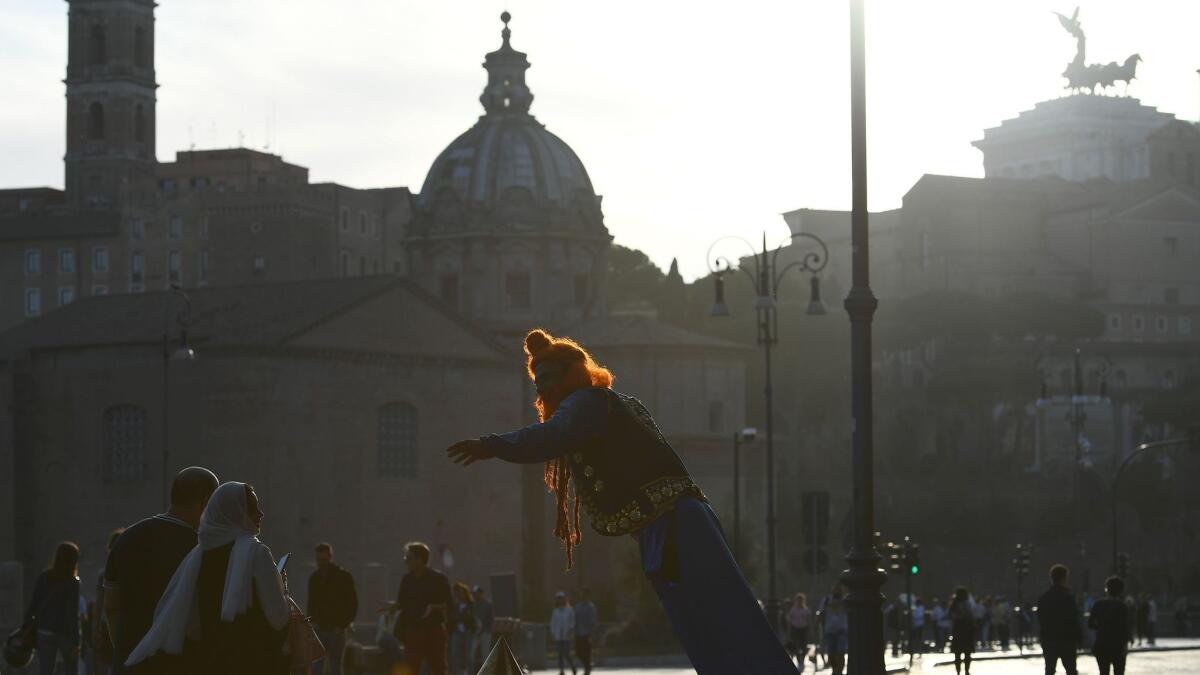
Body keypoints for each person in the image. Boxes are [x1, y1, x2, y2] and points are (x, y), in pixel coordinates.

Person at [446, 329, 797, 674]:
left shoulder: (586, 403)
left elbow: (552, 435)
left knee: (719, 621)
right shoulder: (606, 405)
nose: (541, 387)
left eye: (548, 377)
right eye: (537, 380)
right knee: (708, 625)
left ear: (572, 373)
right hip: (668, 525)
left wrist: (492, 445)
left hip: (675, 523)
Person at [125, 482, 297, 674]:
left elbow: (191, 623)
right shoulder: (257, 553)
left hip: (212, 662)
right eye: (254, 508)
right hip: (256, 661)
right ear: (237, 513)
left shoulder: (199, 556)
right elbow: (278, 618)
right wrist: (283, 587)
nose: (261, 514)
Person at [104, 466, 219, 675]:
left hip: (127, 661)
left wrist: (123, 648)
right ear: (205, 502)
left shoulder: (126, 539)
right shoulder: (201, 549)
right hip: (179, 664)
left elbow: (111, 606)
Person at [384, 542, 451, 675]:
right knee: (411, 668)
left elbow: (450, 604)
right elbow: (402, 602)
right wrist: (394, 606)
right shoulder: (406, 580)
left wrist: (433, 607)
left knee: (438, 669)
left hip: (434, 630)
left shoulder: (438, 579)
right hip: (413, 631)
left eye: (408, 558)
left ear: (419, 560)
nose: (405, 562)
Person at [26, 542, 82, 675]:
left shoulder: (44, 577)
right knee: (71, 669)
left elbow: (34, 604)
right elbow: (72, 614)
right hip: (65, 633)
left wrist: (27, 627)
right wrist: (76, 642)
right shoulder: (73, 582)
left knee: (46, 671)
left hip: (44, 630)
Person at [307, 542, 358, 675]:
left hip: (336, 630)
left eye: (323, 560)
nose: (321, 563)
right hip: (320, 629)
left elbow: (352, 604)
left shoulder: (343, 577)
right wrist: (313, 623)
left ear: (330, 557)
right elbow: (311, 604)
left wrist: (342, 625)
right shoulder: (314, 579)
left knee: (334, 667)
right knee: (319, 667)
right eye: (319, 560)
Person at [1037, 564, 1083, 675]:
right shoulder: (1068, 597)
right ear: (1064, 578)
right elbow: (1074, 619)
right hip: (1067, 639)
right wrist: (1079, 637)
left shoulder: (1044, 598)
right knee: (1071, 670)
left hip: (1049, 639)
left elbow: (1041, 619)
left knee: (1049, 670)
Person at [92, 528, 123, 674]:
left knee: (110, 662)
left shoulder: (104, 573)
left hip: (109, 624)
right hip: (125, 622)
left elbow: (100, 602)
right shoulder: (134, 570)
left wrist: (96, 626)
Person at [1088, 576, 1131, 675]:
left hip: (1102, 644)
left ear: (1106, 589)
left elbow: (1090, 624)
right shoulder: (1122, 607)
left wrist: (1101, 627)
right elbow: (1125, 627)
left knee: (1103, 672)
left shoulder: (1098, 604)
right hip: (1118, 646)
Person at [448, 583, 477, 675]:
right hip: (457, 632)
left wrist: (464, 616)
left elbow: (473, 618)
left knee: (469, 656)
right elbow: (451, 618)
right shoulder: (454, 606)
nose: (458, 595)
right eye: (457, 593)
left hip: (468, 632)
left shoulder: (471, 605)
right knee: (454, 654)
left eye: (460, 592)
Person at [821, 587, 848, 675]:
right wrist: (816, 625)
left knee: (841, 652)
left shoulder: (846, 600)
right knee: (831, 653)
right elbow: (821, 612)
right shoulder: (826, 600)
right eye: (836, 589)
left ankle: (839, 671)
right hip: (830, 630)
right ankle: (834, 669)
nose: (837, 591)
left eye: (839, 589)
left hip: (842, 630)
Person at [948, 587, 975, 675]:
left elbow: (950, 616)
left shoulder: (954, 604)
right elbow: (971, 615)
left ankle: (958, 671)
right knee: (967, 652)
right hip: (967, 629)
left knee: (957, 653)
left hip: (957, 629)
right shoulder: (968, 604)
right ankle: (967, 670)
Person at [549, 591, 576, 675]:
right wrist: (553, 633)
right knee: (560, 654)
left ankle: (572, 666)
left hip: (566, 635)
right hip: (558, 635)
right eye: (558, 599)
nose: (560, 600)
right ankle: (561, 670)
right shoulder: (555, 611)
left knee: (566, 653)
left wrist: (570, 631)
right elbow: (553, 623)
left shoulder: (569, 610)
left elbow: (572, 622)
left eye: (561, 599)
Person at [573, 588, 597, 675]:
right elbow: (574, 619)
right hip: (578, 633)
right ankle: (588, 665)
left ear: (587, 595)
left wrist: (592, 633)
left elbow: (592, 621)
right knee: (578, 652)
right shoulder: (577, 606)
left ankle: (587, 669)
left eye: (583, 593)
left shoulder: (591, 607)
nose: (581, 595)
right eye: (581, 593)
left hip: (587, 633)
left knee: (587, 652)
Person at [785, 593, 811, 670]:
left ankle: (802, 659)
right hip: (795, 629)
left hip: (803, 629)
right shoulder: (793, 610)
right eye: (798, 600)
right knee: (795, 645)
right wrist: (789, 631)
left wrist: (810, 630)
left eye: (801, 600)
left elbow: (809, 620)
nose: (799, 602)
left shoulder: (806, 610)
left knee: (804, 645)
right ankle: (799, 660)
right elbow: (789, 620)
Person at [471, 586, 494, 670]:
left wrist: (488, 631)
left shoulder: (487, 604)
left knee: (485, 654)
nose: (475, 595)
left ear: (481, 593)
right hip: (475, 633)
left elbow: (490, 619)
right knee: (471, 653)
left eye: (476, 593)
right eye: (473, 594)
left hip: (485, 633)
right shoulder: (472, 604)